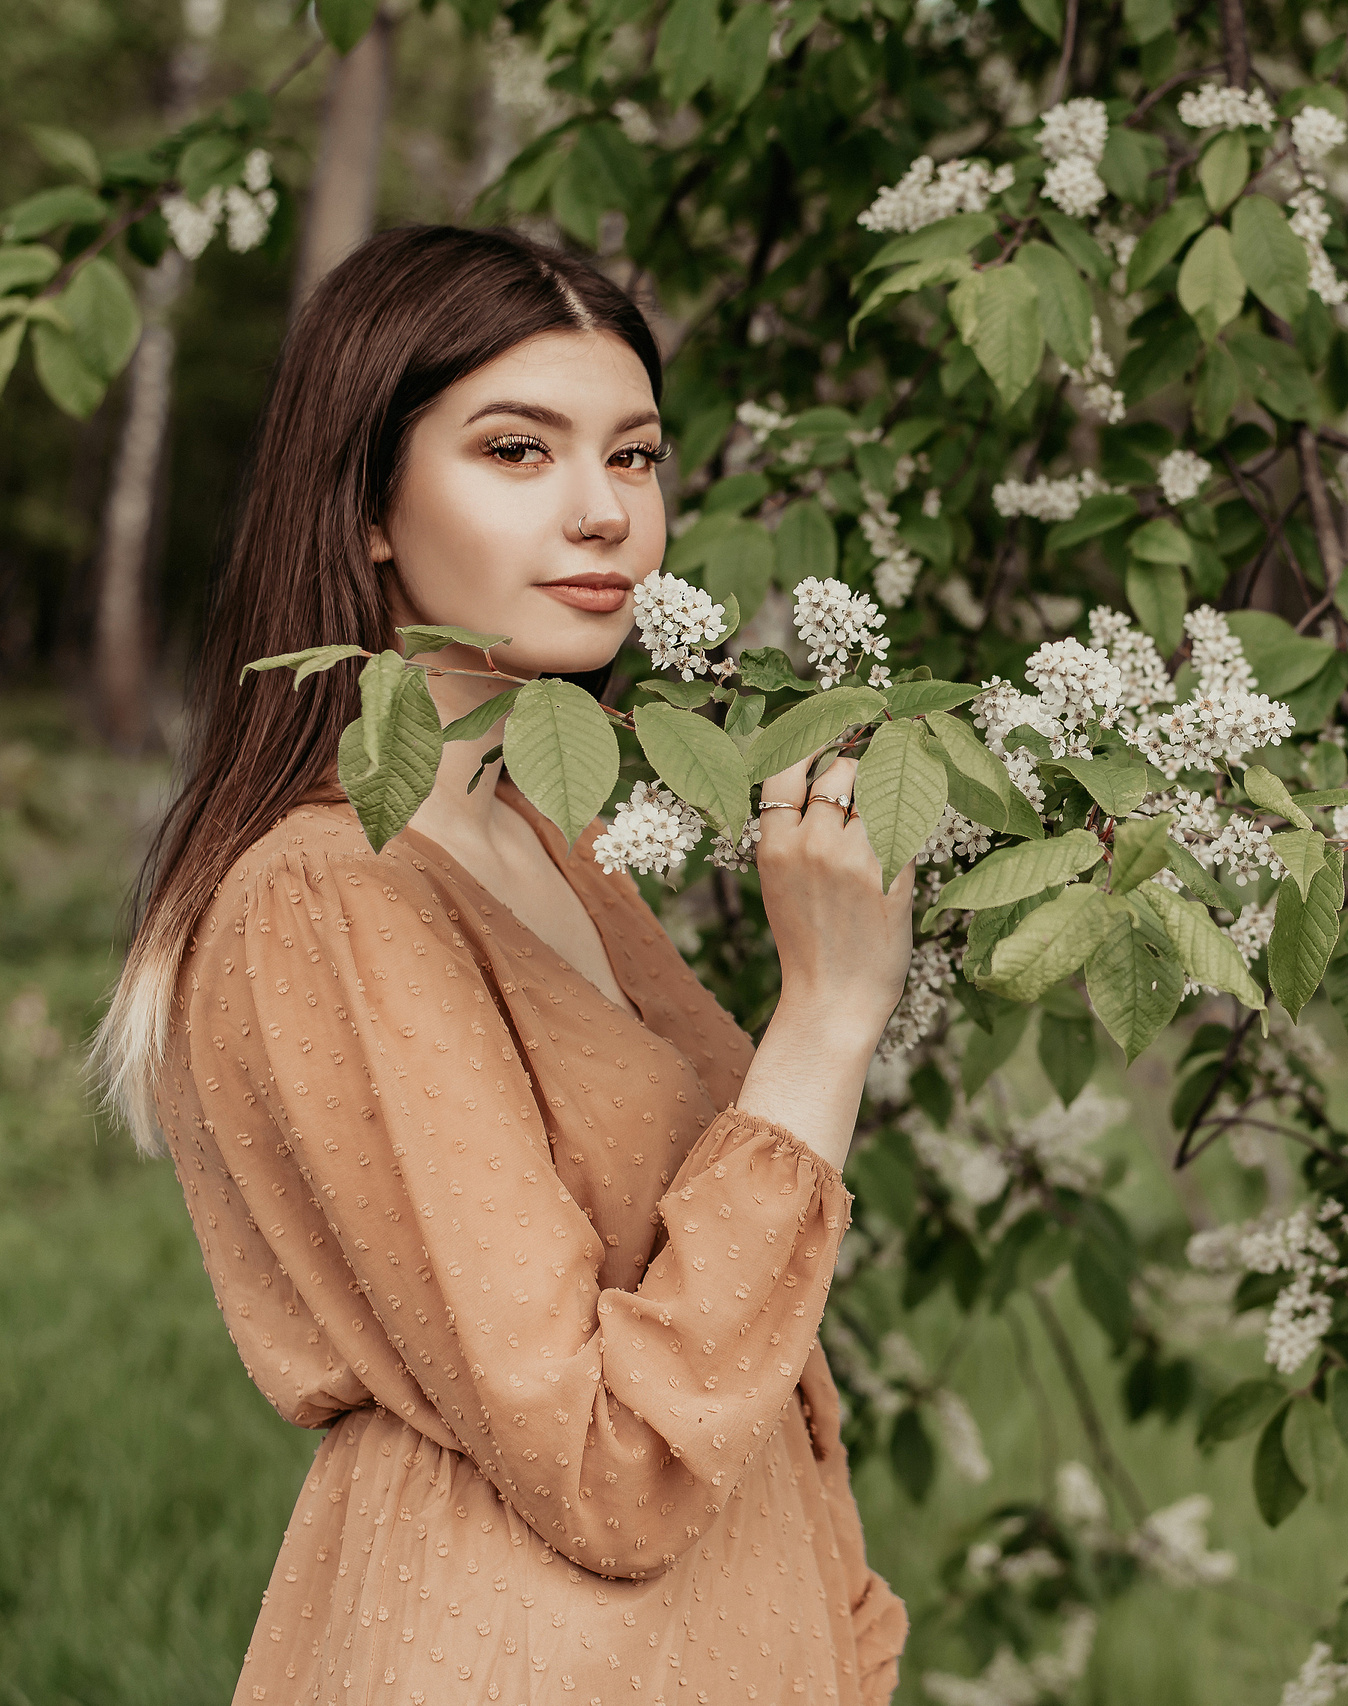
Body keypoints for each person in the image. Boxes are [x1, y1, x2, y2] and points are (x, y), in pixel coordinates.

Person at [95, 224, 913, 1706]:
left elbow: (749, 1364)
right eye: (517, 451)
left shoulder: (557, 844)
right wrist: (829, 1011)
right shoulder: (325, 899)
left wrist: (841, 1628)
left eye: (636, 455)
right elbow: (604, 1455)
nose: (603, 513)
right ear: (367, 512)